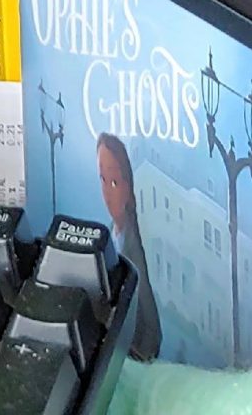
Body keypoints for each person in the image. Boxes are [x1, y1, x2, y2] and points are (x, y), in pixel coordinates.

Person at [97, 133, 165, 361]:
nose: (107, 193)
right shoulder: (109, 235)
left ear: (128, 186)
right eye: (103, 180)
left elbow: (151, 328)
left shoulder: (134, 246)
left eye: (114, 182)